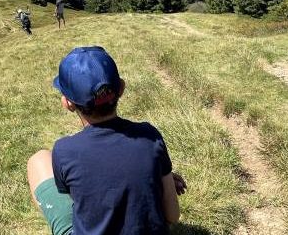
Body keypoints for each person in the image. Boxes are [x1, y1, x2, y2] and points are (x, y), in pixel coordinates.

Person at [27, 46, 186, 235]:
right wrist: (157, 179)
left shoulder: (64, 151)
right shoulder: (150, 136)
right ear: (122, 89)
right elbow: (173, 216)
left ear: (68, 103)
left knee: (38, 159)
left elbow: (83, 198)